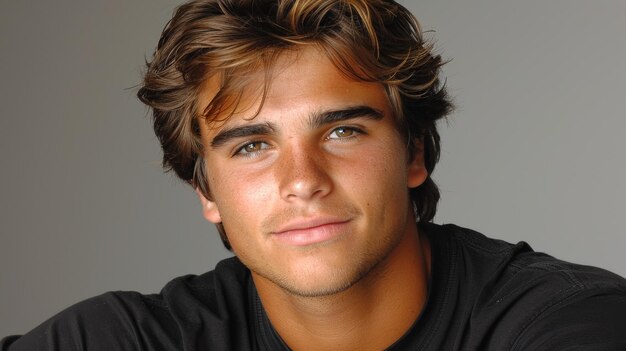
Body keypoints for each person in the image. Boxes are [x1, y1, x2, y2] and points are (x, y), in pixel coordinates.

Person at [2, 0, 626, 350]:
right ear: (205, 191)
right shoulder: (126, 342)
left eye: (342, 131)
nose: (303, 179)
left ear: (415, 154)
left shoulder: (568, 325)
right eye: (250, 146)